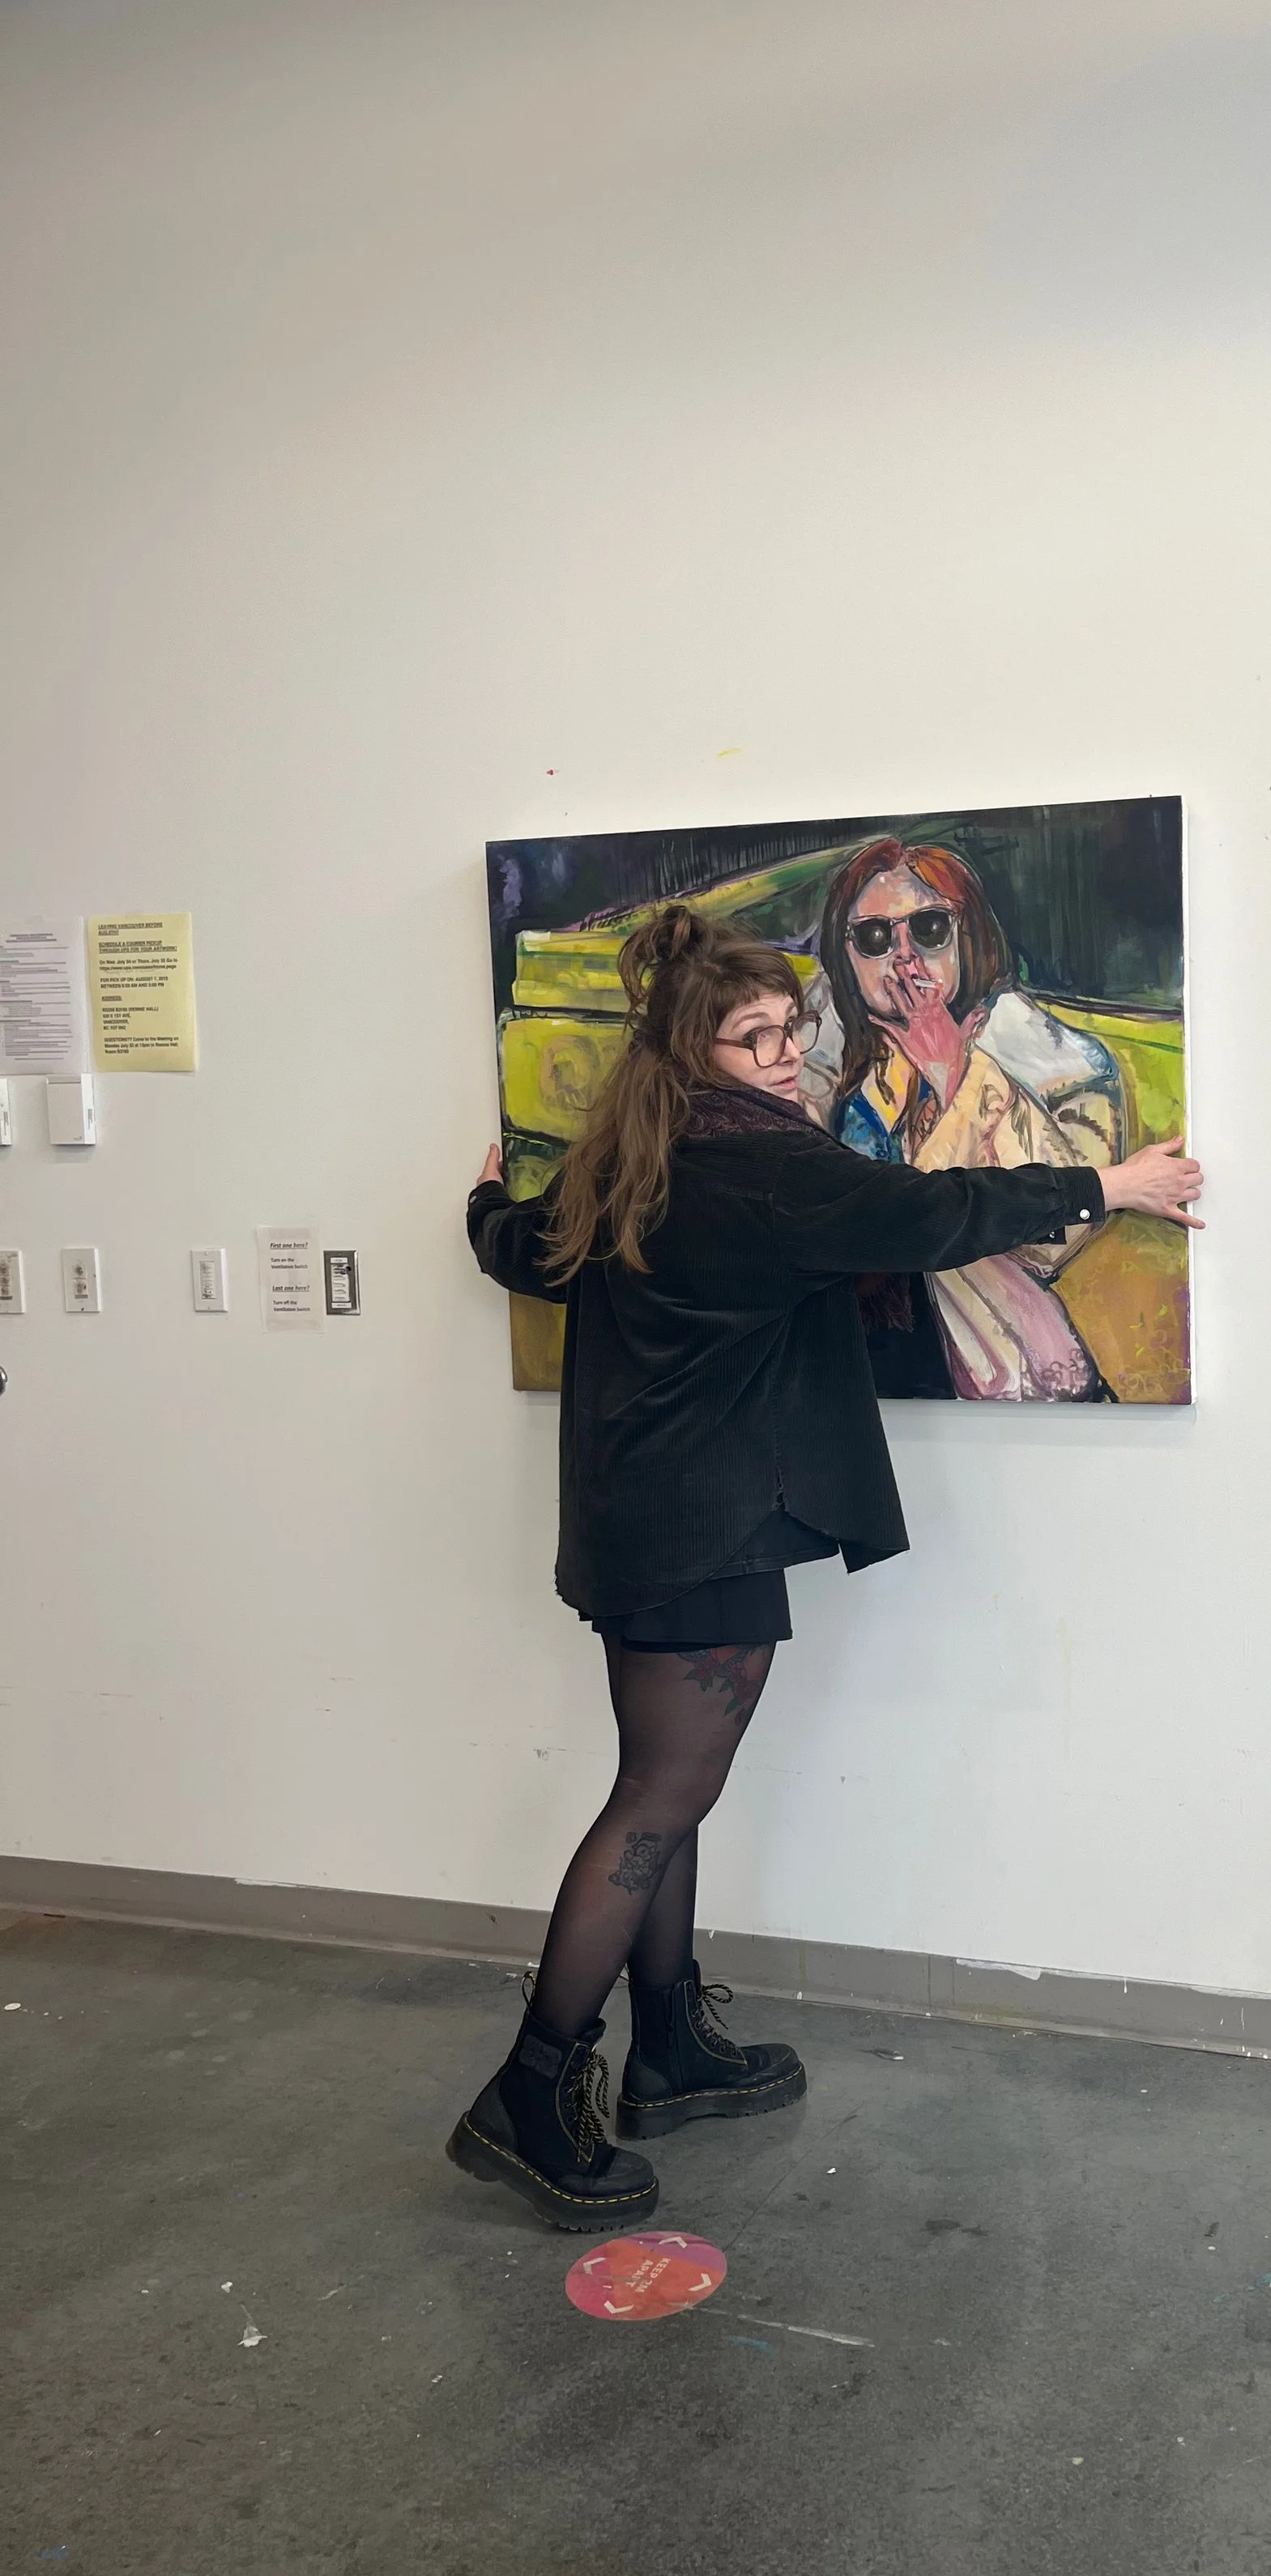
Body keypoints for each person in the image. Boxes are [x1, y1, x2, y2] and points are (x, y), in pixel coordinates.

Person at [452, 903, 1204, 2229]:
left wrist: (477, 1202)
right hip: (698, 1523)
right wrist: (1111, 1185)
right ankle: (531, 2085)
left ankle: (670, 2047)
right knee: (656, 1798)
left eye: (791, 1029)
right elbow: (933, 1209)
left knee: (664, 1792)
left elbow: (528, 1247)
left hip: (656, 1515)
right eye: (755, 1038)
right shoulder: (761, 1168)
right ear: (691, 1053)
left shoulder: (638, 1154)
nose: (790, 1056)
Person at [801, 838, 1127, 1400]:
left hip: (1002, 1381)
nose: (904, 958)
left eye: (929, 928)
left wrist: (954, 1075)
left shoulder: (1064, 1067)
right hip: (854, 1374)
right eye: (875, 937)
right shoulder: (811, 1056)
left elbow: (1057, 1238)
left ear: (968, 934)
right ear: (845, 954)